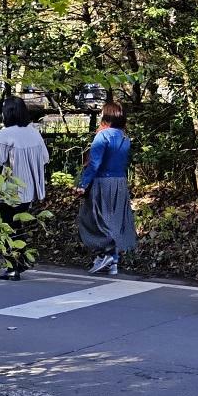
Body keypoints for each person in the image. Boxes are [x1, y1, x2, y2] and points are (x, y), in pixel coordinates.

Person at [0, 97, 49, 281]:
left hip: (8, 189)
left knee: (7, 227)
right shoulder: (33, 132)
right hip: (28, 190)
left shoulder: (5, 134)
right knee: (17, 224)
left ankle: (13, 266)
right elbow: (45, 157)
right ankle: (20, 260)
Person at [77, 101, 136, 274]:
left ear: (107, 115)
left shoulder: (102, 136)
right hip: (120, 182)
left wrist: (83, 184)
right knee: (114, 220)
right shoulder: (125, 137)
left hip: (103, 182)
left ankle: (105, 255)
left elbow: (94, 163)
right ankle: (113, 262)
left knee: (95, 219)